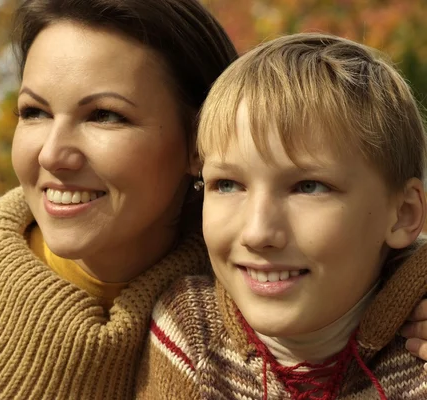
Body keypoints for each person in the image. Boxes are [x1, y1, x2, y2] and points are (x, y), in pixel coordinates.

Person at [0, 3, 427, 400]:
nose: (53, 153)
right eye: (33, 112)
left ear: (196, 145)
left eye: (105, 115)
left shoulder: (257, 265)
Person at [137, 32, 427, 399]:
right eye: (227, 185)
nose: (258, 232)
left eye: (308, 187)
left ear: (403, 214)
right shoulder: (191, 332)